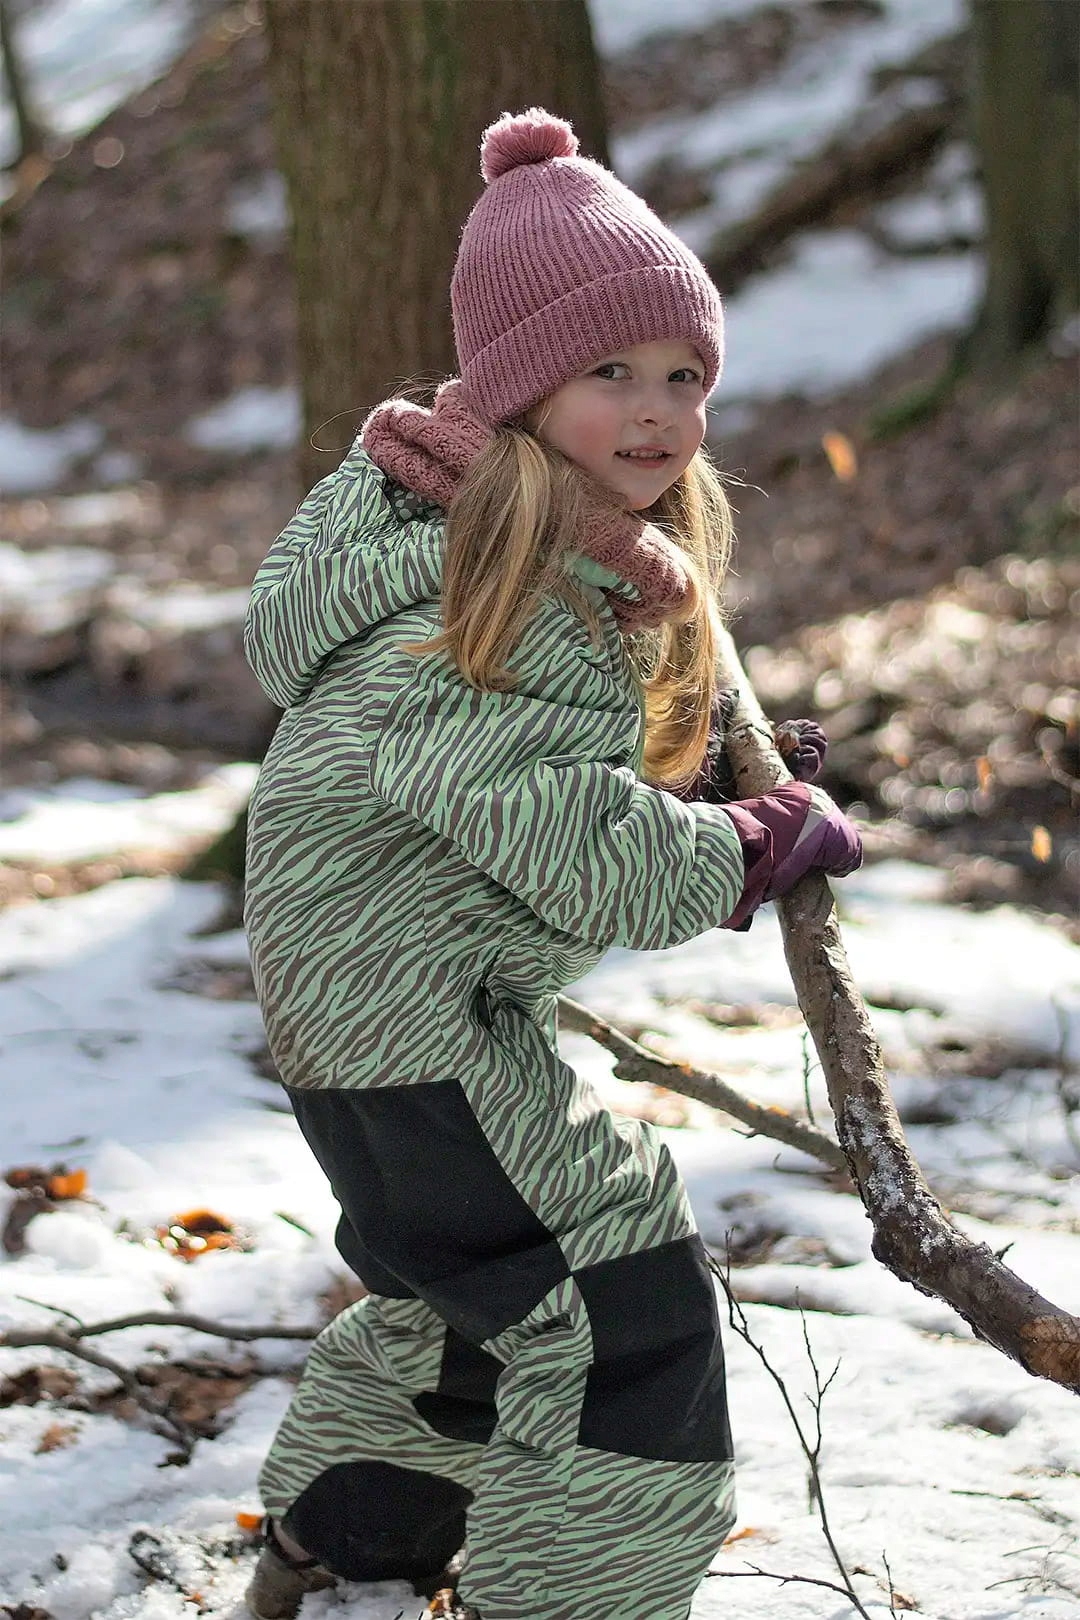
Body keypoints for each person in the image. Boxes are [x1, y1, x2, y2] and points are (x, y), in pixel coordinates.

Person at [240, 107, 861, 1620]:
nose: (657, 413)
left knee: (488, 1303)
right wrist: (744, 847)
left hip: (380, 1023)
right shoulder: (504, 590)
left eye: (685, 376)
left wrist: (718, 770)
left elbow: (539, 760)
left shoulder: (474, 530)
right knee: (619, 1302)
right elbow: (565, 840)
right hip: (414, 1029)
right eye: (610, 373)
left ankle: (344, 1542)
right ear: (521, 387)